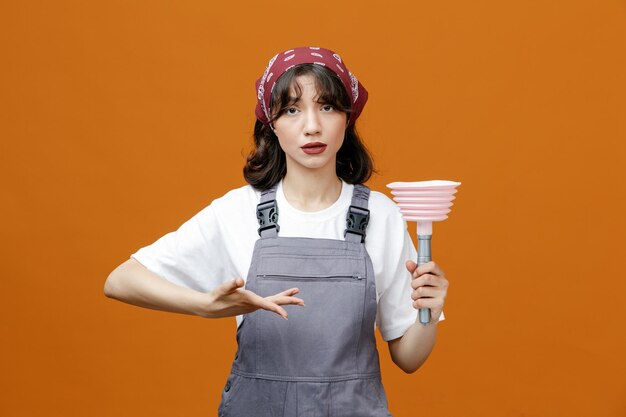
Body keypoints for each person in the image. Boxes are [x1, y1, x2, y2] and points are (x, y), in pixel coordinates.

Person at [104, 46, 450, 417]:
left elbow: (409, 357)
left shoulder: (382, 215)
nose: (312, 125)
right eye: (291, 109)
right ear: (271, 123)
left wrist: (428, 310)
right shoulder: (238, 211)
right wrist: (205, 306)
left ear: (347, 118)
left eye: (328, 106)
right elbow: (121, 280)